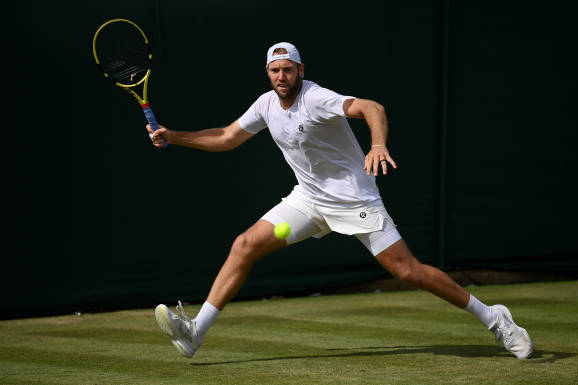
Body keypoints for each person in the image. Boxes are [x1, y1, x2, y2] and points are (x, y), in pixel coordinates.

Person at [148, 42, 533, 360]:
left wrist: (377, 144)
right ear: (268, 73)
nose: (281, 77)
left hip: (354, 200)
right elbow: (227, 137)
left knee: (408, 272)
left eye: (288, 69)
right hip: (308, 200)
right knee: (244, 245)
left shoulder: (316, 98)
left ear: (300, 70)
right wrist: (174, 136)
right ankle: (196, 332)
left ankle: (495, 319)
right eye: (275, 70)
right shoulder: (266, 104)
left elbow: (371, 108)